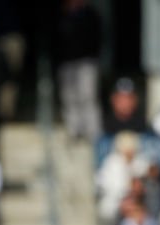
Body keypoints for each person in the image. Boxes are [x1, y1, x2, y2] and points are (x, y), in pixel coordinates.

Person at [57, 0, 104, 141]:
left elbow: (96, 37)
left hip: (86, 61)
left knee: (88, 96)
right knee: (69, 97)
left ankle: (93, 132)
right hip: (66, 62)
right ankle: (74, 130)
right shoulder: (62, 15)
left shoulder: (90, 14)